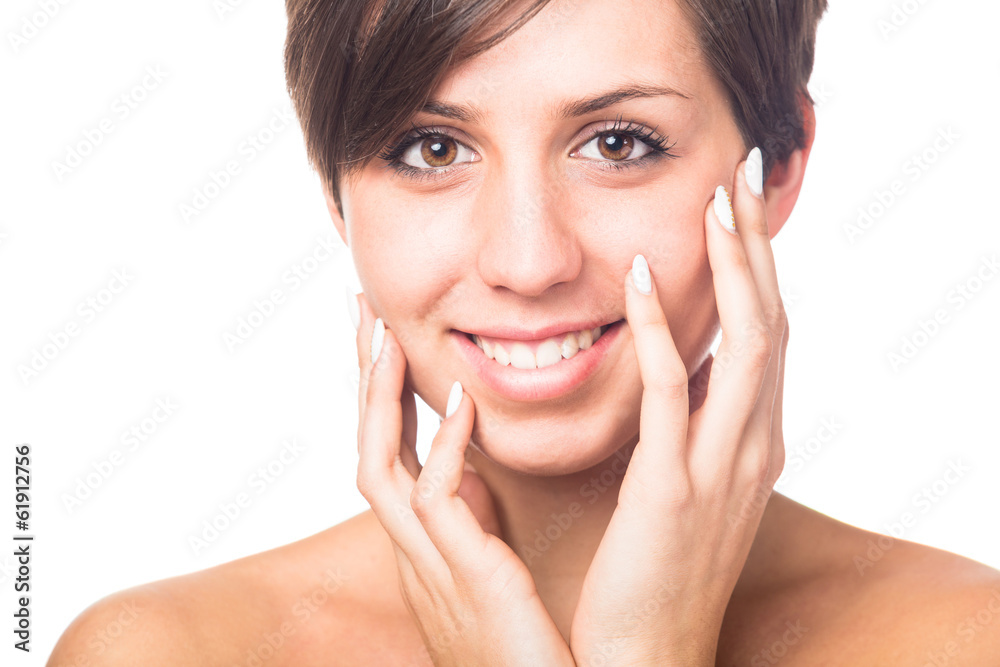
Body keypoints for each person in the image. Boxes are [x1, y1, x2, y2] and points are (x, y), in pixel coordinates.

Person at [48, 0, 1000, 664]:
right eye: (432, 149)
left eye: (617, 143)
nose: (527, 258)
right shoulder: (164, 654)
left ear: (777, 161)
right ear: (334, 188)